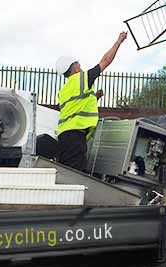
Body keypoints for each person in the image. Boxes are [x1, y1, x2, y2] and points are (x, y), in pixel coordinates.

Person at [54, 32, 128, 171]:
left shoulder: (64, 90)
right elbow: (105, 60)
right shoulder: (82, 78)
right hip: (75, 136)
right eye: (79, 65)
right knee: (74, 175)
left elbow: (76, 106)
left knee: (66, 172)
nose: (81, 67)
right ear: (75, 67)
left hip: (65, 136)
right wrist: (119, 41)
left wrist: (95, 97)